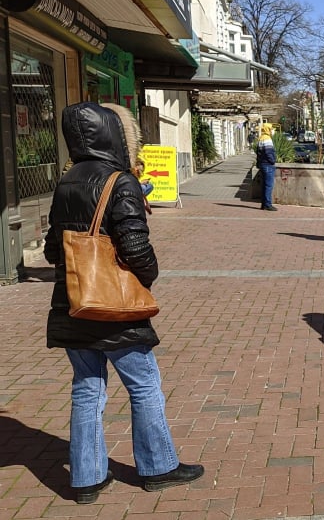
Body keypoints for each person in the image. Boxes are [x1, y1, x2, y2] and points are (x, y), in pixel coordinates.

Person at [44, 102, 204, 504]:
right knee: (144, 385)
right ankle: (158, 467)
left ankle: (86, 478)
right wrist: (144, 278)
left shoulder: (67, 181)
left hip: (73, 302)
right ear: (113, 134)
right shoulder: (121, 181)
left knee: (87, 388)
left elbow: (51, 250)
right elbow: (135, 246)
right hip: (114, 306)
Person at [256, 122, 277, 211]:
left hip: (262, 164)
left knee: (264, 185)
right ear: (268, 129)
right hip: (268, 164)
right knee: (269, 185)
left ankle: (264, 204)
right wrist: (273, 161)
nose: (273, 131)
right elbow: (268, 152)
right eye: (271, 129)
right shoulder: (267, 139)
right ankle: (268, 204)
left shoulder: (261, 138)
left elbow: (258, 153)